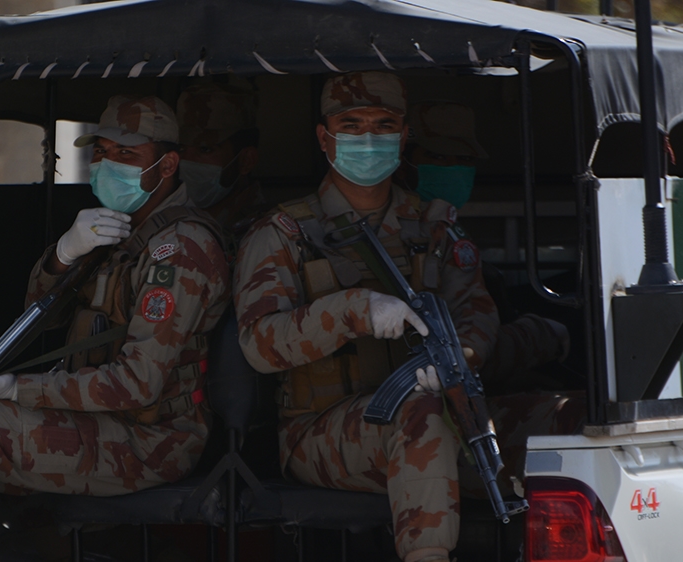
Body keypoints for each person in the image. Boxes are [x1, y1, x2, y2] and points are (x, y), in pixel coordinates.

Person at [0, 95, 231, 562]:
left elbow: (138, 383)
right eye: (100, 152)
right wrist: (65, 252)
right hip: (100, 422)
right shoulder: (118, 233)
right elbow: (39, 315)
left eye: (126, 155)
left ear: (167, 165)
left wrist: (18, 389)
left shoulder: (179, 250)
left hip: (154, 439)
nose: (107, 164)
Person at [234, 71, 499, 562]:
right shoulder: (284, 232)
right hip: (316, 430)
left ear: (403, 136)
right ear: (323, 137)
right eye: (351, 125)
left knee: (562, 416)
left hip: (443, 407)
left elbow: (477, 312)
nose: (368, 137)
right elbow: (259, 344)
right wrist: (353, 310)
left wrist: (458, 358)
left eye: (383, 124)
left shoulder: (433, 222)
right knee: (419, 414)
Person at [402, 101, 584, 496]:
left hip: (455, 380)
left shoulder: (446, 232)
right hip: (411, 403)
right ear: (405, 157)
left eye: (462, 158)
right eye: (436, 156)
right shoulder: (393, 230)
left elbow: (476, 330)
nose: (451, 167)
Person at [176, 82, 264, 232]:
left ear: (246, 161)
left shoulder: (262, 228)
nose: (186, 160)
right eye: (181, 148)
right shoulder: (172, 216)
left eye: (205, 149)